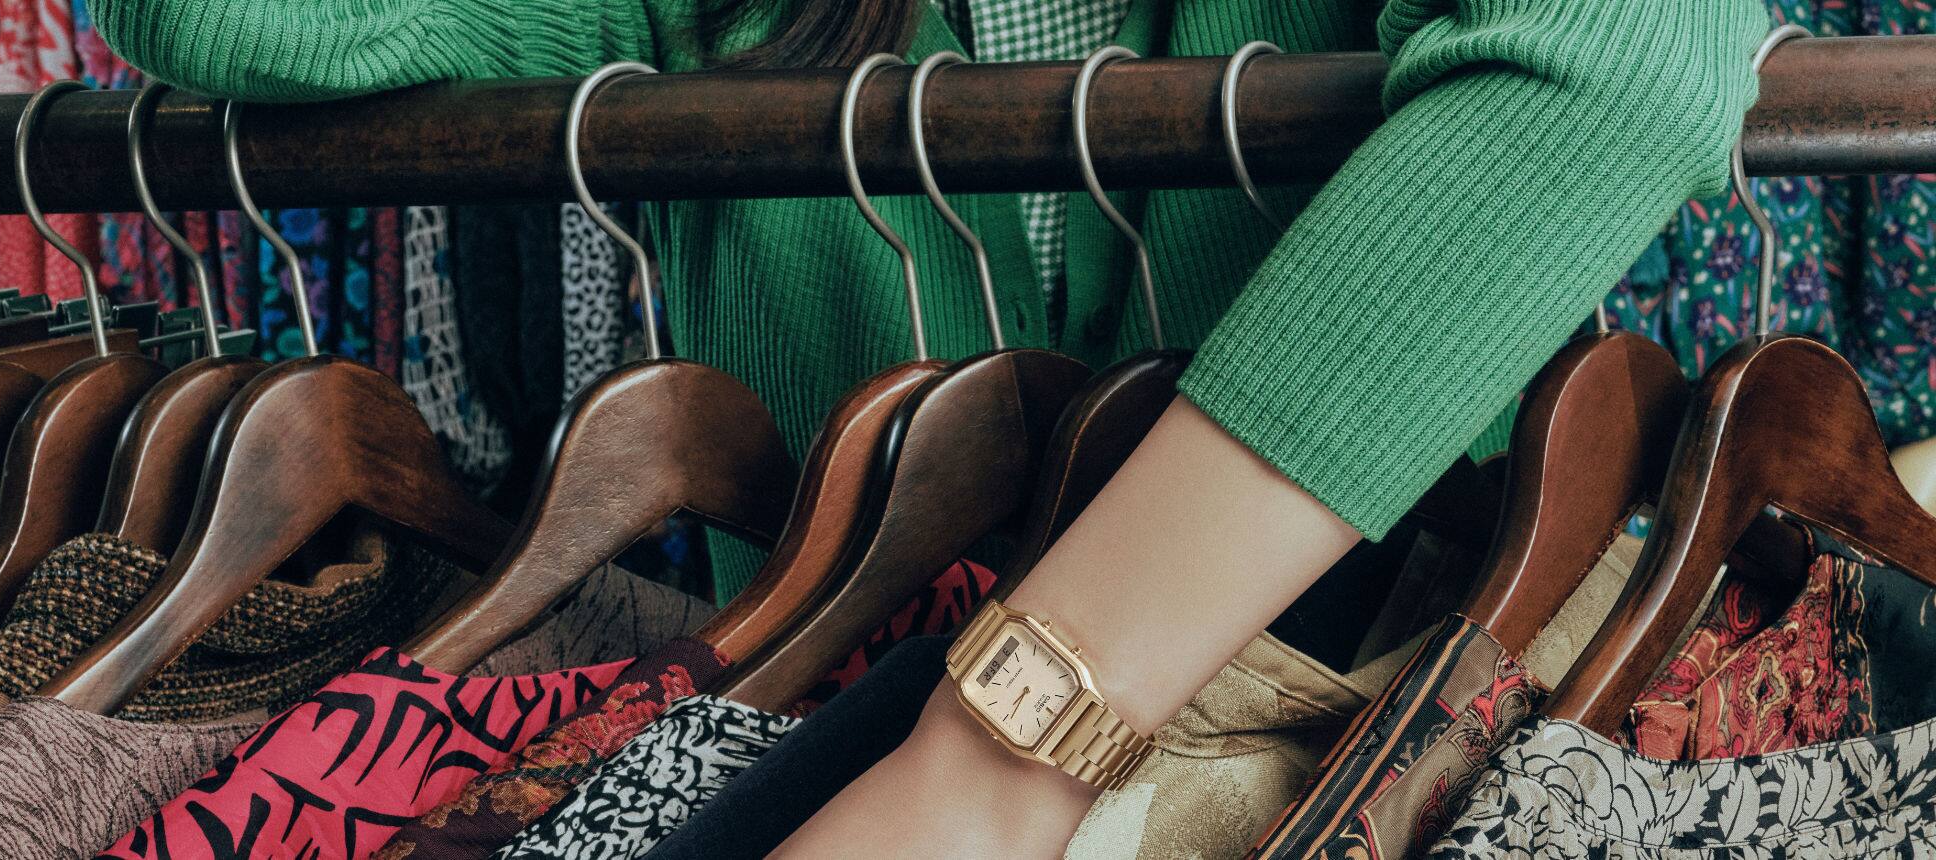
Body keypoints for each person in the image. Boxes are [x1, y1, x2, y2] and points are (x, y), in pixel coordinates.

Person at [88, 0, 1767, 854]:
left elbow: (1619, 53)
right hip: (803, 710)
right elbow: (231, 19)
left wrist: (984, 772)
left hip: (1367, 738)